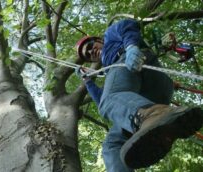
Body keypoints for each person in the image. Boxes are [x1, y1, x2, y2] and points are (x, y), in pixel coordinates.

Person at [75, 19, 203, 171]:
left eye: (90, 47)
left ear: (98, 40)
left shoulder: (109, 36)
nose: (91, 52)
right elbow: (105, 101)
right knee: (112, 144)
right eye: (88, 55)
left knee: (109, 101)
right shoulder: (111, 73)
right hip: (152, 93)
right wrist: (88, 81)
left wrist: (130, 47)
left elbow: (127, 25)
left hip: (135, 62)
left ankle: (154, 114)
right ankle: (159, 121)